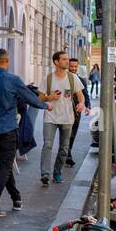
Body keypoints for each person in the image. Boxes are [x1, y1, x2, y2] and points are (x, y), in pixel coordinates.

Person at [0, 48, 47, 217]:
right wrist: (46, 105)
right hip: (8, 128)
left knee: (4, 164)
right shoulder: (13, 80)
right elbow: (30, 97)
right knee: (6, 165)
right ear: (7, 61)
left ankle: (16, 198)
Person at [39, 50, 86, 185]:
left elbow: (80, 96)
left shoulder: (73, 78)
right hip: (50, 117)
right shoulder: (48, 78)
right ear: (56, 62)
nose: (67, 61)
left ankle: (57, 172)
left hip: (67, 118)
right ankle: (45, 173)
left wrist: (81, 104)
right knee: (47, 145)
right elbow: (40, 98)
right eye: (64, 59)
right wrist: (50, 97)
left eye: (67, 59)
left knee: (64, 148)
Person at [66, 58, 91, 168]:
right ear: (67, 66)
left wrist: (88, 107)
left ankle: (68, 152)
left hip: (76, 111)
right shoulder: (63, 79)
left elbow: (86, 95)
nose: (73, 69)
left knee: (73, 133)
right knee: (66, 133)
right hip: (64, 111)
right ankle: (67, 155)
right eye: (71, 66)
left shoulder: (81, 80)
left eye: (75, 67)